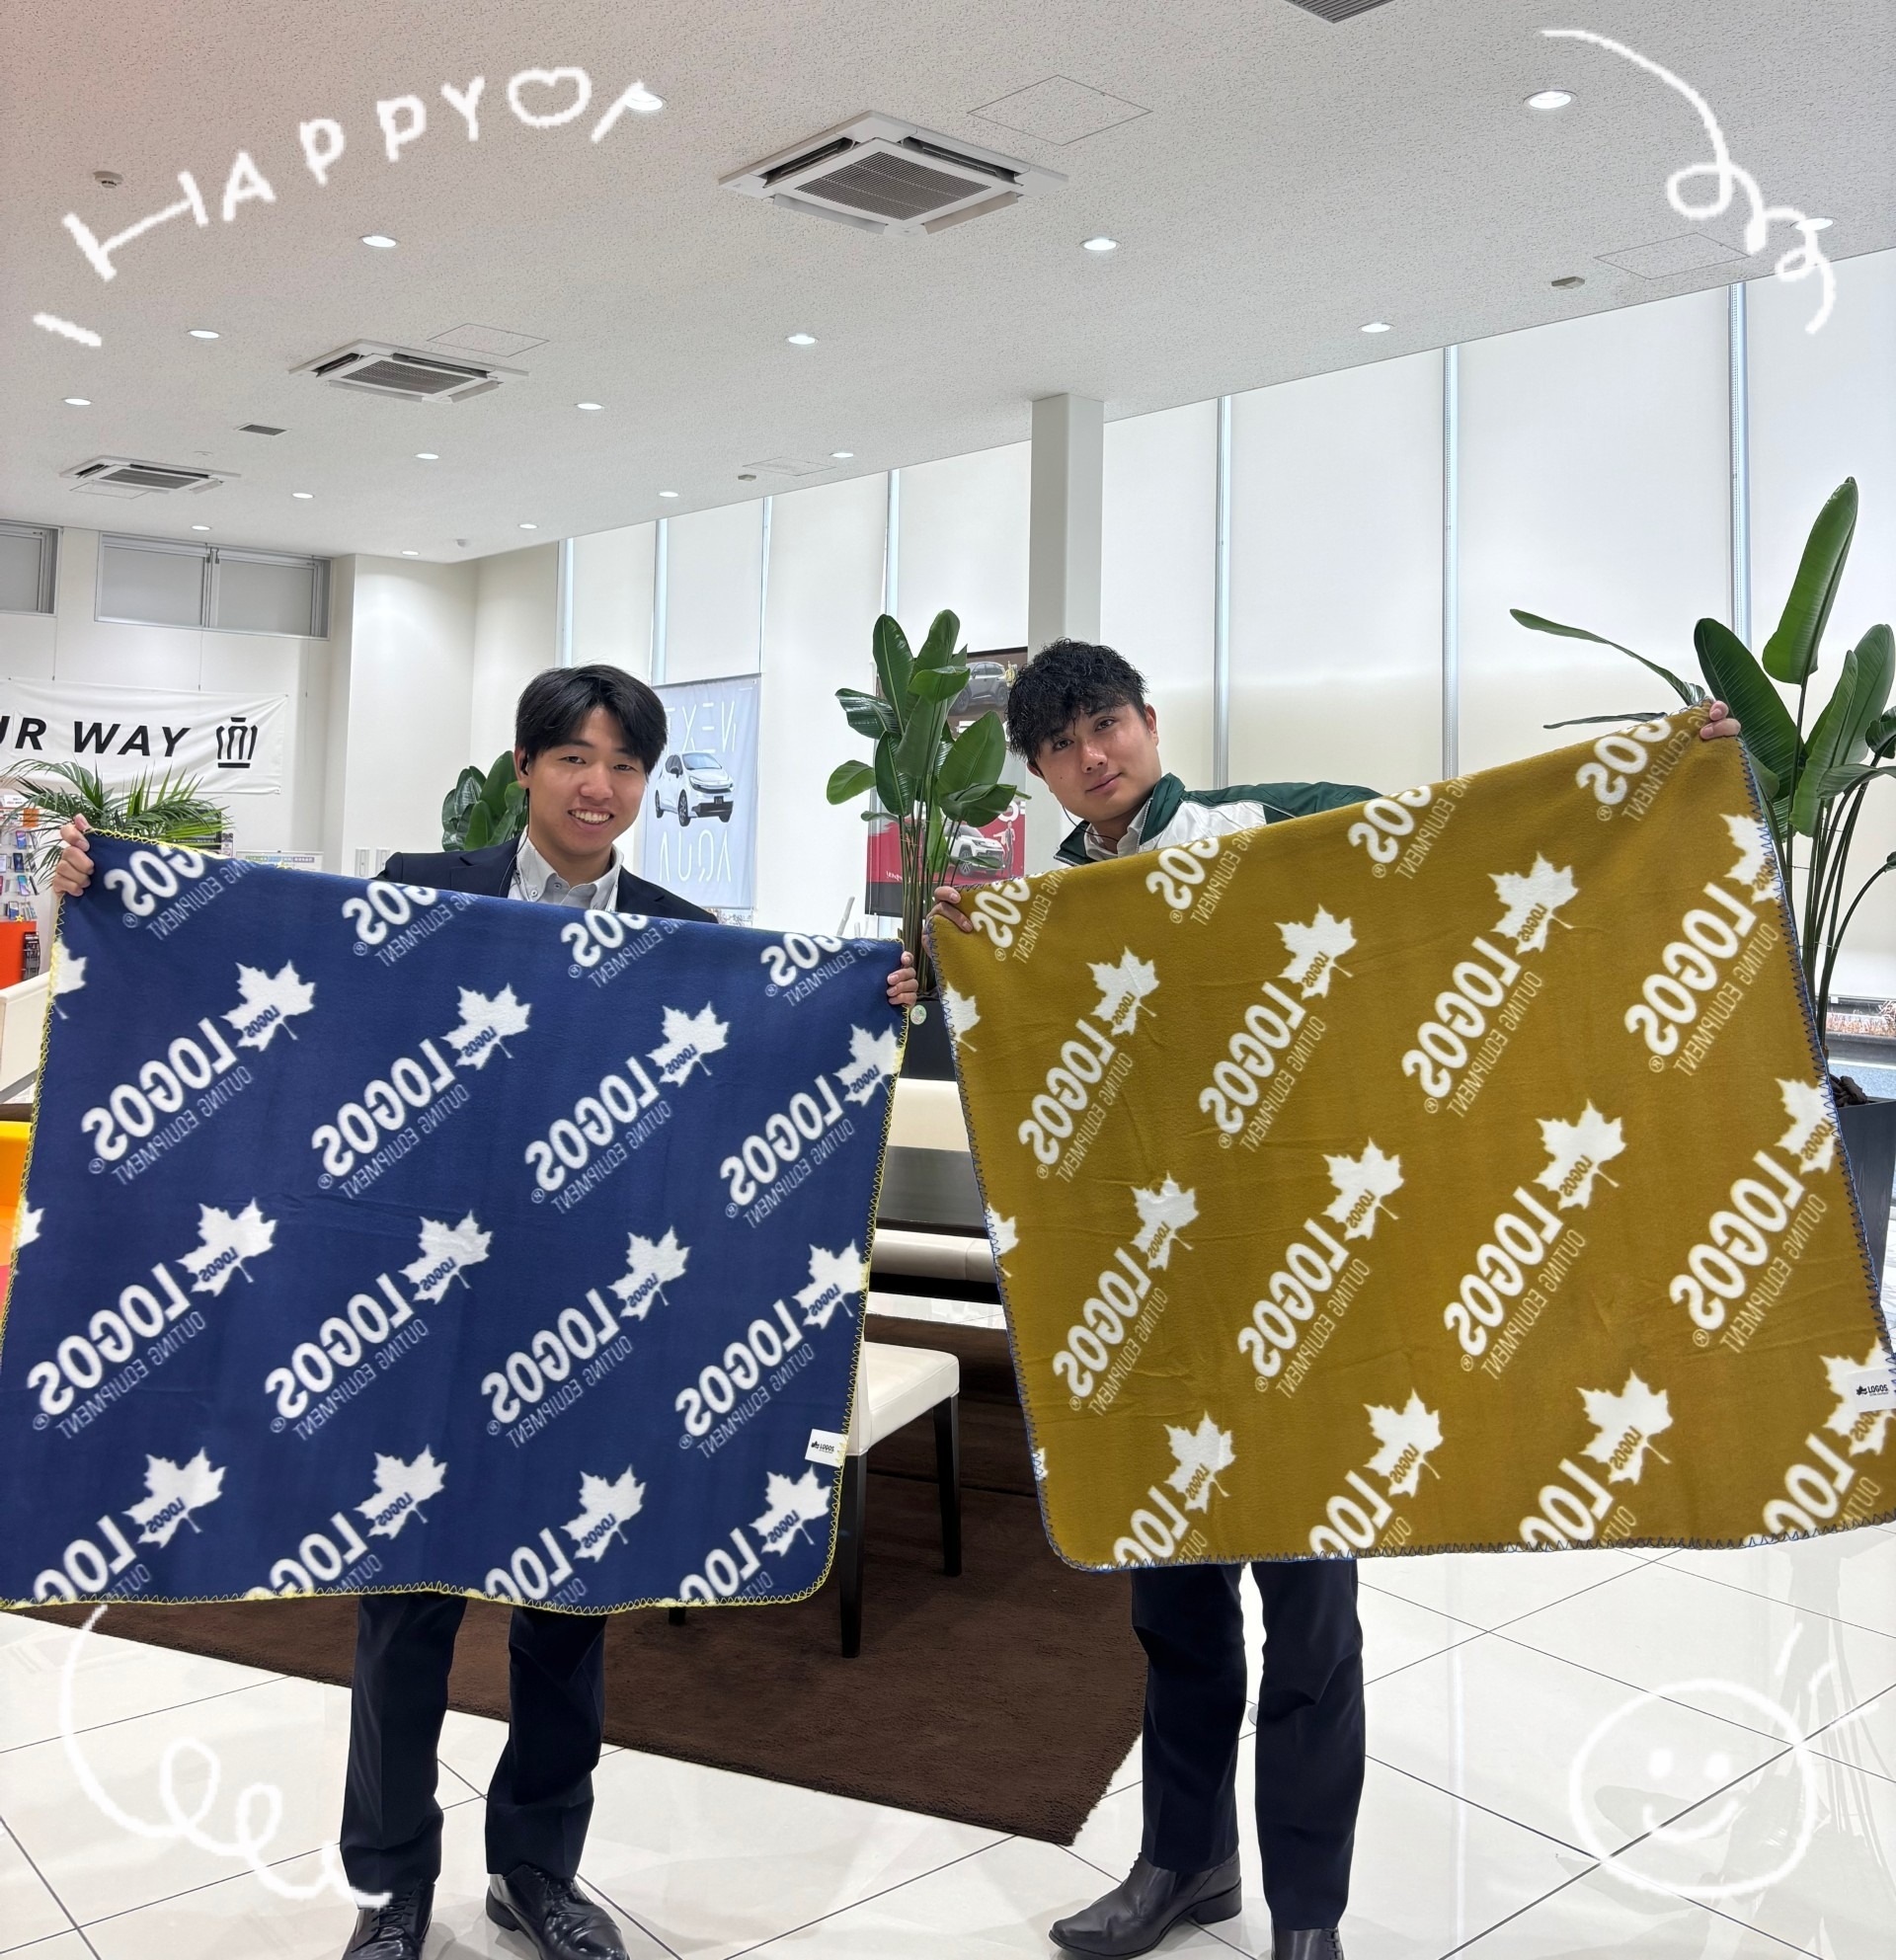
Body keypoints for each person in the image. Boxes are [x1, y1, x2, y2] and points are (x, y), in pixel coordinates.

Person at [53, 663, 919, 1960]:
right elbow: (286, 972)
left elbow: (754, 1073)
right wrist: (107, 888)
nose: (599, 787)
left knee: (571, 1609)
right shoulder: (424, 894)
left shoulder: (683, 935)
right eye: (574, 757)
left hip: (586, 1327)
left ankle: (538, 1871)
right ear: (523, 767)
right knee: (404, 1609)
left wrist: (877, 1000)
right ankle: (391, 1886)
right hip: (418, 1320)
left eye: (625, 765)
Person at [933, 640, 1742, 1960]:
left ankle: (1309, 1914)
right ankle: (1184, 1862)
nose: (1093, 756)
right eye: (1061, 746)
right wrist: (954, 949)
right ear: (1039, 774)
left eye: (1106, 724)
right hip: (1149, 1306)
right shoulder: (1046, 908)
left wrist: (1652, 772)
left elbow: (1455, 834)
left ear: (1149, 721)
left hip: (1305, 1294)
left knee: (1311, 1623)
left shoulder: (1267, 823)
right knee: (1173, 1613)